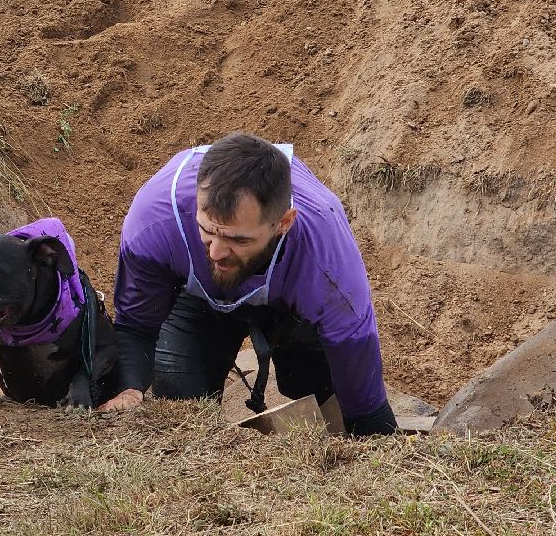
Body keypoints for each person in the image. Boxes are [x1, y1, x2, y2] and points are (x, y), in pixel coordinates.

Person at [99, 133, 398, 436]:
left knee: (316, 384)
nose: (215, 251)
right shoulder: (155, 220)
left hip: (292, 301)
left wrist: (374, 438)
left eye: (237, 238)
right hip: (199, 298)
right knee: (181, 398)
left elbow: (354, 354)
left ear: (284, 222)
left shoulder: (323, 249)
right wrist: (129, 387)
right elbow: (136, 325)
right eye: (206, 230)